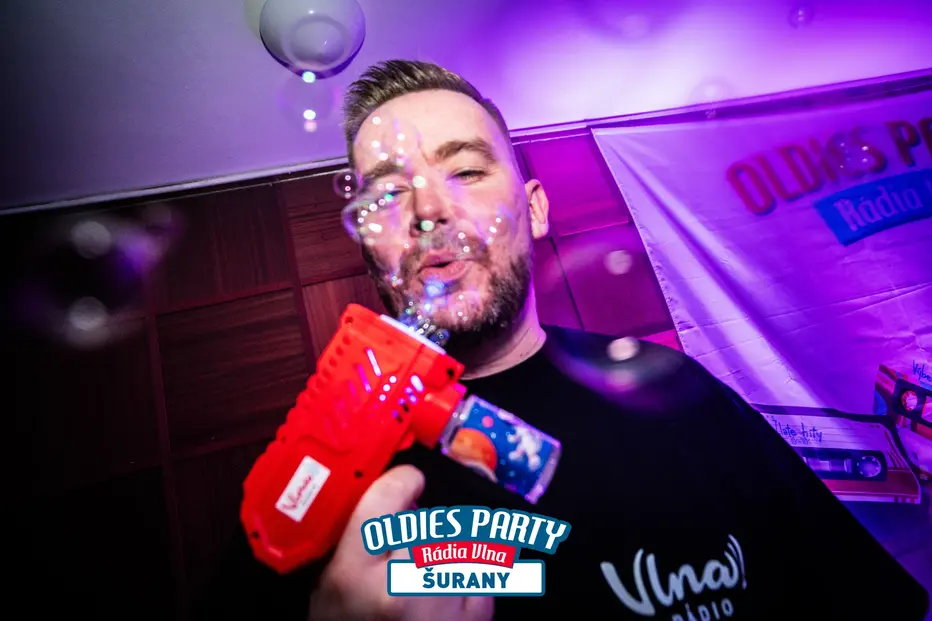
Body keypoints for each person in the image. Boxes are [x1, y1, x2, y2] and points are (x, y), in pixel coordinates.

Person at [197, 60, 929, 620]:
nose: (426, 208)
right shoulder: (309, 481)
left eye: (465, 169)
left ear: (536, 209)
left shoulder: (678, 390)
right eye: (387, 192)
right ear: (367, 248)